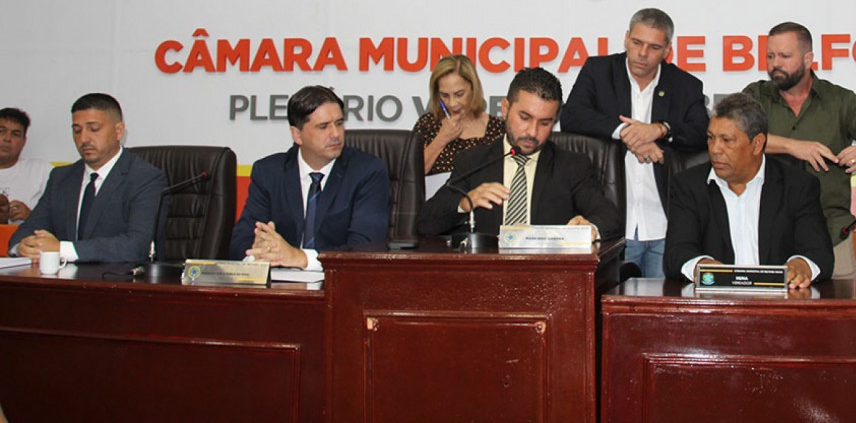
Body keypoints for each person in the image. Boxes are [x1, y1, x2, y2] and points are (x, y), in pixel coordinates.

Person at [742, 22, 856, 279]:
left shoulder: (839, 101)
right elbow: (738, 137)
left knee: (840, 315)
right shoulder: (756, 96)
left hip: (830, 232)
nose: (775, 63)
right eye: (770, 56)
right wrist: (792, 146)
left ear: (808, 59)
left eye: (784, 56)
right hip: (766, 234)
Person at [560, 8, 708, 277]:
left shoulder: (686, 85)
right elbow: (572, 116)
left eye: (653, 47)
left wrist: (660, 130)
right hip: (612, 227)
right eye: (637, 43)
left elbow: (702, 131)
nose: (642, 53)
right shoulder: (598, 71)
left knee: (658, 313)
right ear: (626, 38)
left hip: (665, 227)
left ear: (667, 50)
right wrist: (626, 133)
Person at [418, 67, 620, 240]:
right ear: (505, 108)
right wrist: (464, 203)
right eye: (525, 117)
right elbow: (426, 223)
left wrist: (590, 228)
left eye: (545, 122)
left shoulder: (571, 166)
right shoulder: (474, 161)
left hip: (548, 275)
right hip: (488, 274)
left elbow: (609, 216)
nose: (533, 132)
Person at [663, 93, 833, 289]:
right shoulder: (688, 185)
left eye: (727, 140)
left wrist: (801, 265)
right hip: (715, 304)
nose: (715, 149)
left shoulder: (798, 186)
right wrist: (700, 265)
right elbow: (676, 253)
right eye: (711, 138)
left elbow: (819, 253)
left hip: (777, 306)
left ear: (757, 144)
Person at [229, 86, 391, 270]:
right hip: (280, 285)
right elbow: (241, 241)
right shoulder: (268, 172)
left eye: (339, 123)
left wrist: (301, 258)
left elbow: (364, 248)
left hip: (340, 285)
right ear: (297, 134)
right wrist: (258, 253)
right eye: (323, 126)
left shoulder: (366, 171)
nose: (336, 134)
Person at [9, 93, 167, 263]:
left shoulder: (145, 178)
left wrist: (61, 249)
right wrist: (23, 247)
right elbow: (27, 229)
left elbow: (136, 247)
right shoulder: (61, 177)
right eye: (77, 130)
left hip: (116, 282)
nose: (83, 139)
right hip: (62, 282)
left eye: (94, 129)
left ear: (118, 131)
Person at [413, 54, 504, 176]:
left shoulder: (497, 129)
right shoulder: (427, 124)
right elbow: (410, 174)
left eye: (459, 94)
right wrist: (441, 139)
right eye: (444, 95)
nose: (452, 103)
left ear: (473, 88)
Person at [0, 108, 52, 223]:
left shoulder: (41, 170)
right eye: (1, 131)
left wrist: (31, 216)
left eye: (15, 134)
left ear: (23, 142)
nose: (7, 138)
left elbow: (63, 220)